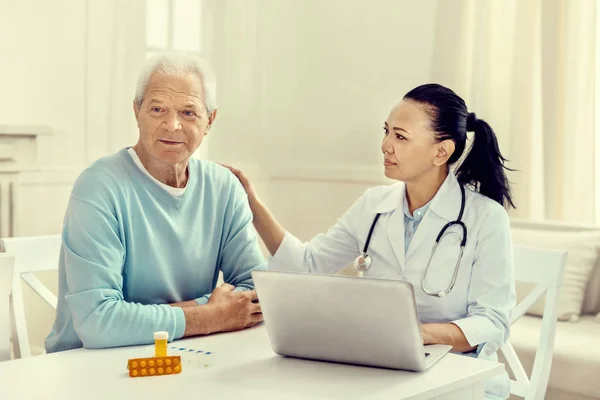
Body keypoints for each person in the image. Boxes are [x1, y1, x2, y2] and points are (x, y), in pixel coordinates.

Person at [223, 83, 516, 400]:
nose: (385, 145)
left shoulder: (485, 217)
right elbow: (307, 265)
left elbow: (492, 321)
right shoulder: (373, 205)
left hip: (458, 377)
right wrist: (253, 204)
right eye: (387, 131)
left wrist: (419, 335)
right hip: (383, 371)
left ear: (441, 152)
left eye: (400, 136)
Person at [45, 53, 265, 353]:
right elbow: (98, 324)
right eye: (157, 109)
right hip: (86, 368)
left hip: (183, 357)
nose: (172, 125)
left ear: (209, 120)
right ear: (137, 112)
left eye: (188, 113)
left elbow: (257, 294)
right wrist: (209, 313)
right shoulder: (98, 187)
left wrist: (159, 317)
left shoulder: (224, 187)